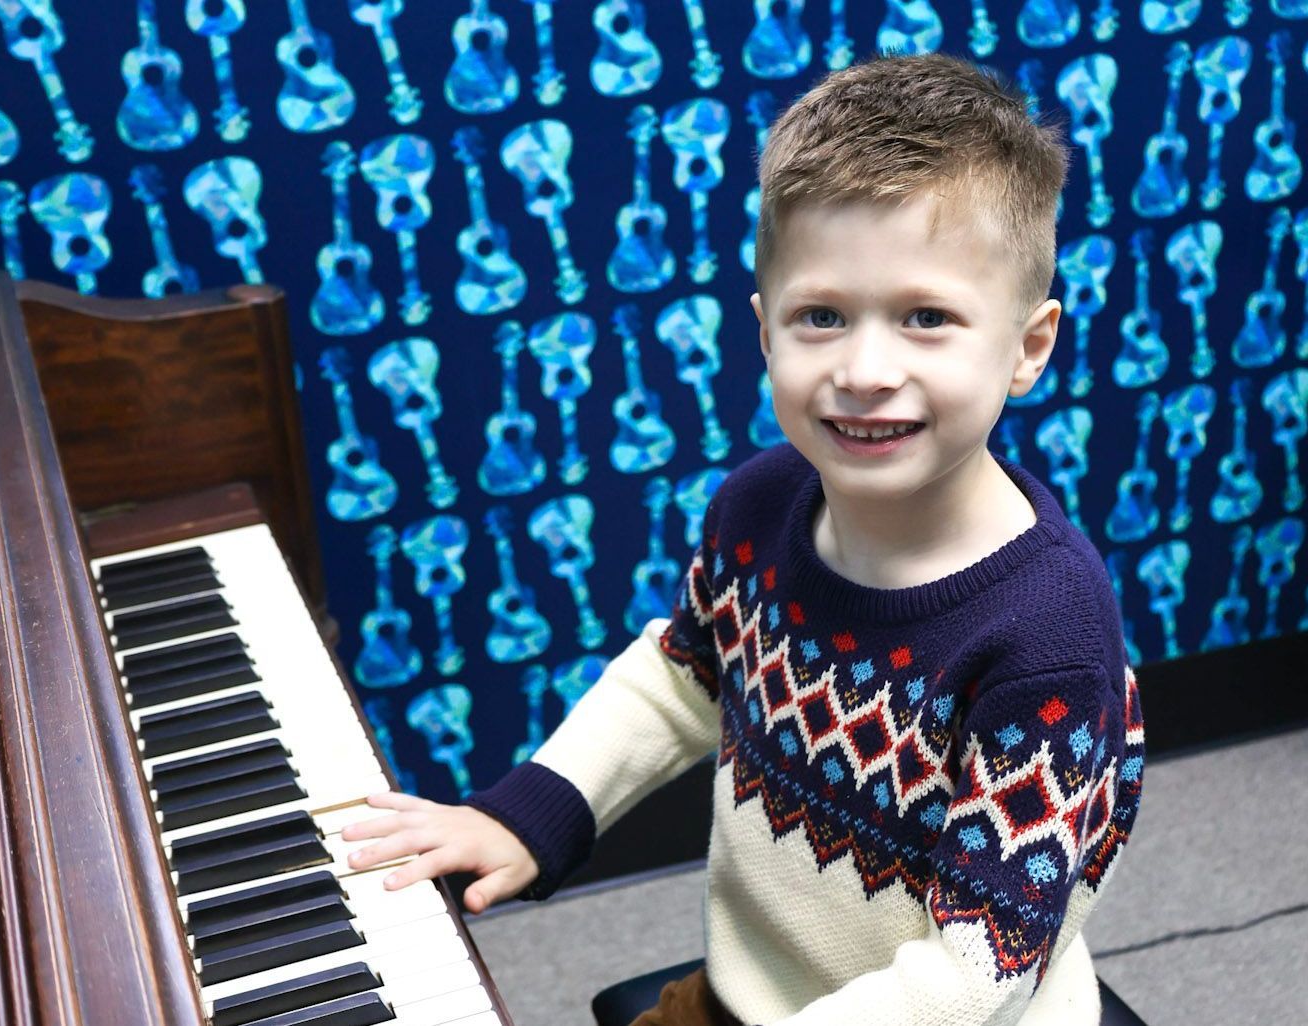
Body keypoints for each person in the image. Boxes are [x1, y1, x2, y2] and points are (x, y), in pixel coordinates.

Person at [343, 52, 1145, 1026]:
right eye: (822, 317)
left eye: (927, 318)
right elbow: (683, 675)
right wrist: (532, 812)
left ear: (1027, 347)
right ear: (766, 332)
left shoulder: (1044, 637)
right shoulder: (760, 506)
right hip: (756, 991)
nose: (865, 367)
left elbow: (977, 969)